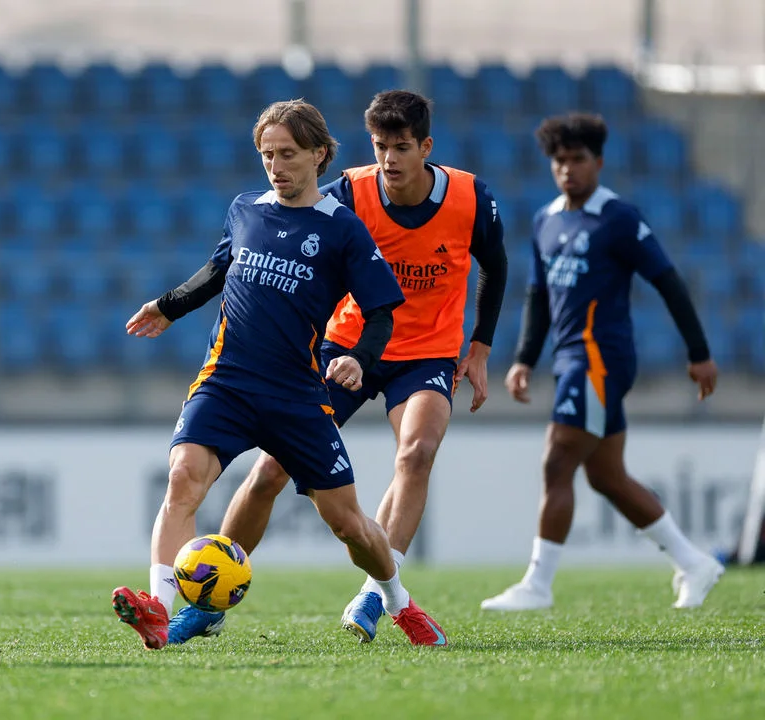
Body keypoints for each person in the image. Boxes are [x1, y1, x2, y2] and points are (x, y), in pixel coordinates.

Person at [167, 90, 508, 646]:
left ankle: (379, 594)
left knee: (416, 453)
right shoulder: (348, 192)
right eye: (380, 147)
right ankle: (210, 603)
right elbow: (285, 230)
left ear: (426, 147)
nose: (390, 160)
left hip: (425, 350)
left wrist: (481, 347)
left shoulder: (471, 197)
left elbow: (495, 266)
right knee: (269, 472)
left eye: (401, 148)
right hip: (346, 347)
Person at [111, 99, 448, 650]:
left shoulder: (343, 229)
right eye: (267, 154)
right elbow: (220, 268)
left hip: (295, 395)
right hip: (226, 382)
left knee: (350, 526)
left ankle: (398, 602)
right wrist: (168, 305)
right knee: (182, 479)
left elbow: (383, 311)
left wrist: (359, 359)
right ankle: (158, 607)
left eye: (287, 154)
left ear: (319, 154)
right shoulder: (246, 208)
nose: (276, 165)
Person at [481, 112, 723, 611]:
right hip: (569, 358)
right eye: (559, 161)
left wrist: (698, 352)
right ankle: (693, 562)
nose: (567, 169)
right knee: (606, 476)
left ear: (599, 162)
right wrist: (525, 357)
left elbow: (668, 281)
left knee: (557, 460)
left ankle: (538, 585)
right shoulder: (547, 220)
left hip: (599, 360)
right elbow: (539, 297)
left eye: (577, 160)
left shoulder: (618, 218)